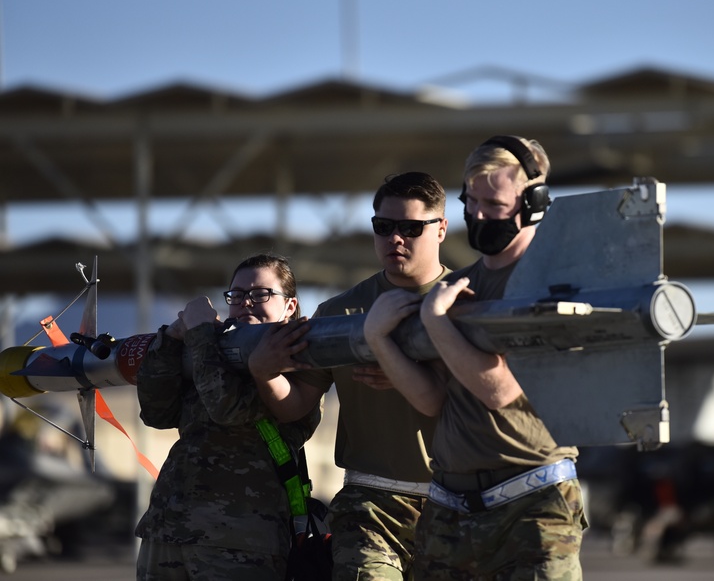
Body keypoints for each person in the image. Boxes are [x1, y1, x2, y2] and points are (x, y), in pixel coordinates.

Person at [364, 135, 586, 579]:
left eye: (494, 203)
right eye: (472, 200)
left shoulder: (549, 286)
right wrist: (378, 337)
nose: (479, 215)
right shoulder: (458, 286)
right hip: (450, 506)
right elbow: (433, 402)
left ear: (534, 203)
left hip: (531, 506)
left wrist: (436, 320)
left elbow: (500, 390)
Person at [248, 171, 451, 580]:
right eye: (384, 227)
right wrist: (263, 371)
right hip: (370, 504)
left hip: (457, 503)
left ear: (441, 228)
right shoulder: (339, 314)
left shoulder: (466, 302)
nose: (396, 238)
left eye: (411, 228)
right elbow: (297, 405)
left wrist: (411, 377)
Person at [135, 253, 321, 580]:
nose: (246, 303)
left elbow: (228, 408)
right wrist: (172, 338)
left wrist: (201, 335)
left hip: (241, 540)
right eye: (237, 295)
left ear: (290, 306)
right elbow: (157, 411)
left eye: (261, 294)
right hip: (168, 530)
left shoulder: (298, 362)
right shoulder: (215, 351)